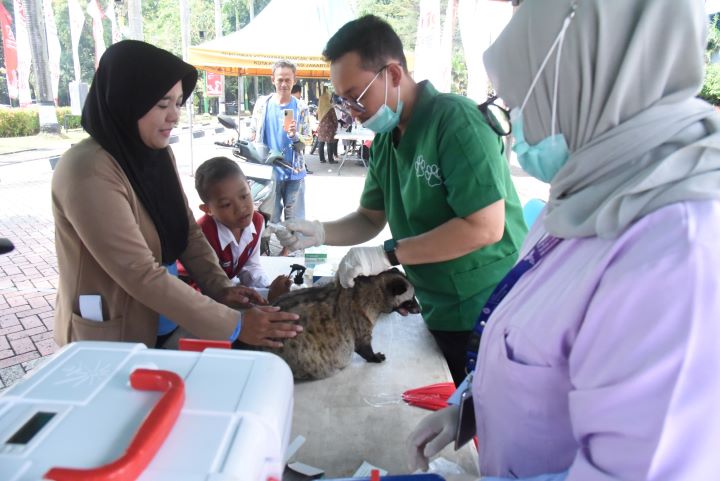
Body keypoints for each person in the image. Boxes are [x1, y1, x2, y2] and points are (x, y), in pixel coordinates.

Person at [407, 0, 720, 479]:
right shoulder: (587, 194)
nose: (515, 130)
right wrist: (468, 407)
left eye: (519, 103)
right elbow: (530, 340)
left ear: (584, 80)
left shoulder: (678, 253)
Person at [277, 15, 527, 385]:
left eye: (356, 97)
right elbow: (369, 217)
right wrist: (319, 232)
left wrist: (387, 255)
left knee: (489, 418)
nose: (352, 111)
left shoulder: (454, 121)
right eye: (344, 101)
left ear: (393, 74)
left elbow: (484, 227)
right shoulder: (386, 141)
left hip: (489, 306)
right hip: (438, 305)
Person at [51, 40, 301, 350]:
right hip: (112, 336)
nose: (174, 116)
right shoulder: (87, 170)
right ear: (126, 101)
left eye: (178, 103)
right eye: (161, 105)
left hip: (165, 319)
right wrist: (234, 324)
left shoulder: (155, 154)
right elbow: (139, 272)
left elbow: (187, 232)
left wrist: (220, 288)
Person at [183, 156, 292, 302]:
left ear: (249, 186)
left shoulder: (257, 221)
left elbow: (250, 266)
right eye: (227, 204)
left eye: (244, 196)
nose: (241, 208)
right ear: (208, 209)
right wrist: (264, 295)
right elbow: (201, 289)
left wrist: (268, 288)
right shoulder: (202, 236)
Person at [249, 60, 312, 225]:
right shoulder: (262, 104)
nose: (284, 84)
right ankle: (273, 249)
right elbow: (253, 132)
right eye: (280, 79)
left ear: (294, 80)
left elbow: (308, 139)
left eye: (288, 80)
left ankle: (288, 250)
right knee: (271, 218)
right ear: (273, 79)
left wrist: (294, 135)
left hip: (294, 171)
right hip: (268, 172)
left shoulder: (301, 108)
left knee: (295, 219)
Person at [316, 86, 339, 164]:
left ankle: (322, 159)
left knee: (321, 143)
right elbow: (335, 119)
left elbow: (317, 117)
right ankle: (330, 160)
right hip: (329, 128)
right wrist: (336, 126)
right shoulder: (330, 108)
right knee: (330, 143)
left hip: (321, 128)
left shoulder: (319, 108)